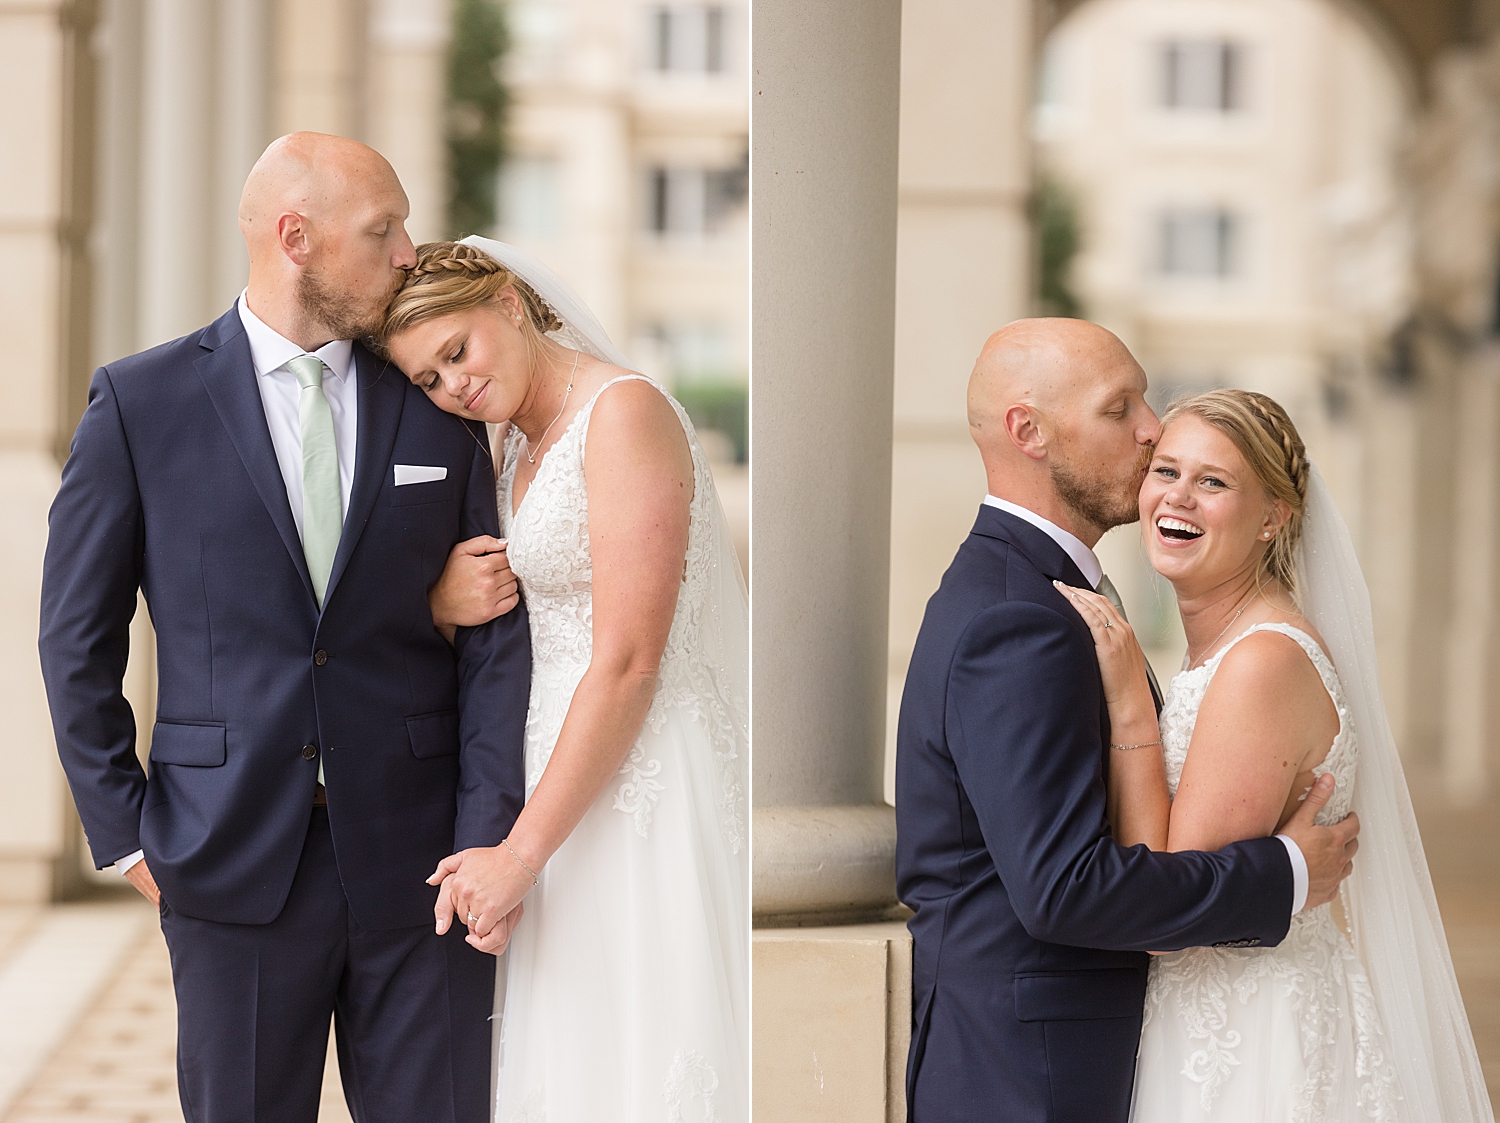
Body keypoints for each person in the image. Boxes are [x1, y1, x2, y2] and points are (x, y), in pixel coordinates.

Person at [38, 133, 530, 1123]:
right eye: (382, 230)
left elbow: (493, 642)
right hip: (224, 864)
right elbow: (74, 637)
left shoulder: (435, 403)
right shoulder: (143, 404)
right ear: (297, 237)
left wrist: (486, 836)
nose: (407, 254)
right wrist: (128, 840)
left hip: (424, 864)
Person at [893, 318, 1361, 1123]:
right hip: (1029, 1077)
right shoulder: (1018, 618)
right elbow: (1063, 890)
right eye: (1123, 409)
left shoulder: (1045, 594)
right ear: (1028, 431)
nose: (1150, 431)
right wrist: (1282, 875)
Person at [378, 237, 749, 1123]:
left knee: (646, 1050)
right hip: (555, 780)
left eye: (456, 352)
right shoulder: (509, 440)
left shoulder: (622, 414)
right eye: (428, 379)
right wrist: (441, 603)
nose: (451, 387)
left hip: (640, 781)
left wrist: (520, 852)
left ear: (509, 302)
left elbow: (628, 661)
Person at [1058, 388, 1494, 1122]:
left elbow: (1168, 903)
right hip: (1217, 1016)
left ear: (1273, 517)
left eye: (1214, 481)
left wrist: (1131, 702)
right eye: (1167, 470)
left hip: (1248, 1039)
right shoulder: (1233, 648)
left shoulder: (1263, 663)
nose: (1179, 497)